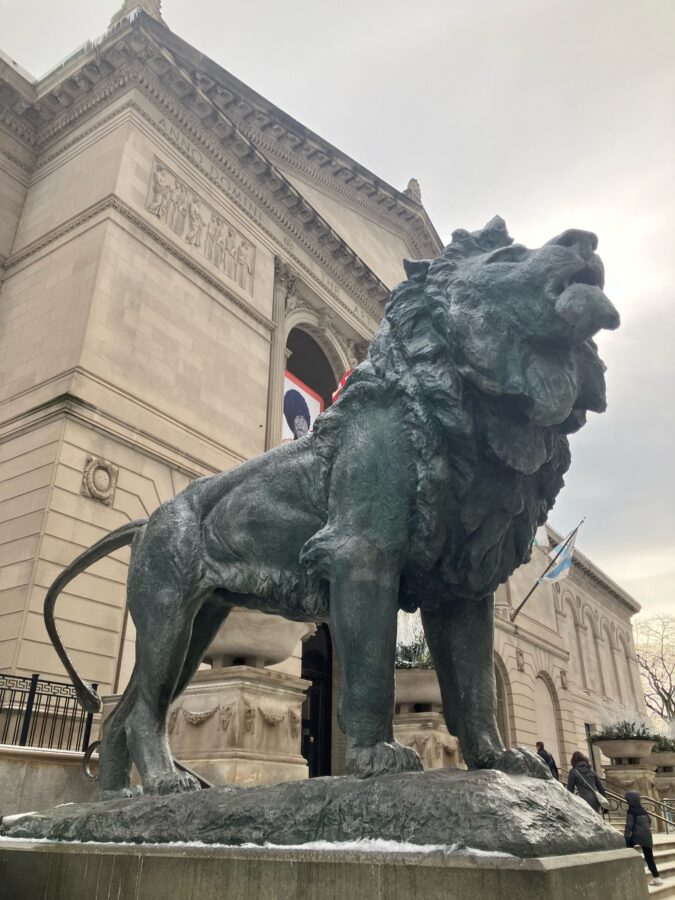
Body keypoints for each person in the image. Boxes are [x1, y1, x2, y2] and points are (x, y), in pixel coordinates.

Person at [624, 790, 663, 886]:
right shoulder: (643, 810)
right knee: (649, 858)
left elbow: (629, 825)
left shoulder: (631, 811)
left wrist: (625, 837)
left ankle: (633, 870)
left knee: (628, 848)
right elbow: (649, 821)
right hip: (647, 835)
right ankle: (657, 878)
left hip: (637, 835)